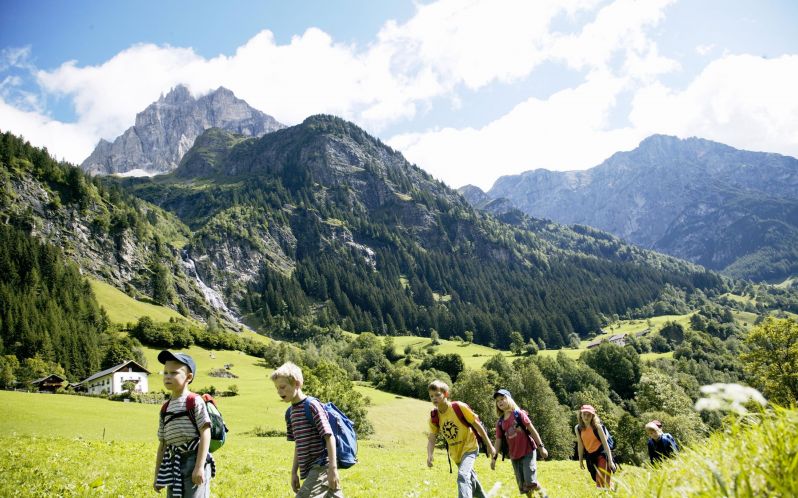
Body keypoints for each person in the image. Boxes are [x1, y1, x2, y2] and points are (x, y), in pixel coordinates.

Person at [271, 362, 343, 498]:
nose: (279, 392)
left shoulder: (311, 406)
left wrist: (333, 469)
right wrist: (294, 472)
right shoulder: (290, 413)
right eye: (276, 388)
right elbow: (298, 444)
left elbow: (329, 436)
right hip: (310, 469)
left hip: (322, 465)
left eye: (282, 387)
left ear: (297, 384)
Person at [153, 350, 215, 497]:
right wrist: (157, 475)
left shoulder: (193, 401)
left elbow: (205, 432)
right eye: (165, 372)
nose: (168, 376)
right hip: (173, 461)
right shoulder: (165, 408)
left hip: (194, 458)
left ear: (188, 377)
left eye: (174, 373)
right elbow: (162, 444)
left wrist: (199, 467)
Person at [426, 379, 496, 498]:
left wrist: (490, 445)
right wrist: (430, 454)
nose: (434, 398)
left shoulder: (458, 407)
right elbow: (432, 438)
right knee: (472, 482)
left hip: (470, 447)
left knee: (463, 476)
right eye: (431, 396)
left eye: (437, 395)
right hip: (456, 454)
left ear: (446, 394)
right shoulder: (434, 416)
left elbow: (477, 425)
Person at [490, 389, 548, 496]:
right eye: (498, 401)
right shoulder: (500, 422)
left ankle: (544, 495)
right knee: (524, 487)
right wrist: (494, 458)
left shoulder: (518, 414)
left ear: (509, 399)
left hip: (528, 452)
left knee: (530, 482)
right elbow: (498, 441)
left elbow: (532, 430)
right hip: (514, 456)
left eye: (502, 399)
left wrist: (541, 447)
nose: (500, 402)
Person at [574, 404, 615, 489]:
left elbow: (605, 444)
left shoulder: (597, 427)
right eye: (584, 414)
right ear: (580, 415)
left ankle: (603, 491)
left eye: (589, 415)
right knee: (596, 478)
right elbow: (580, 445)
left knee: (600, 481)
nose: (586, 417)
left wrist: (610, 461)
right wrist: (581, 460)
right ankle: (611, 488)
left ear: (593, 416)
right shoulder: (578, 428)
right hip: (591, 456)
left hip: (602, 454)